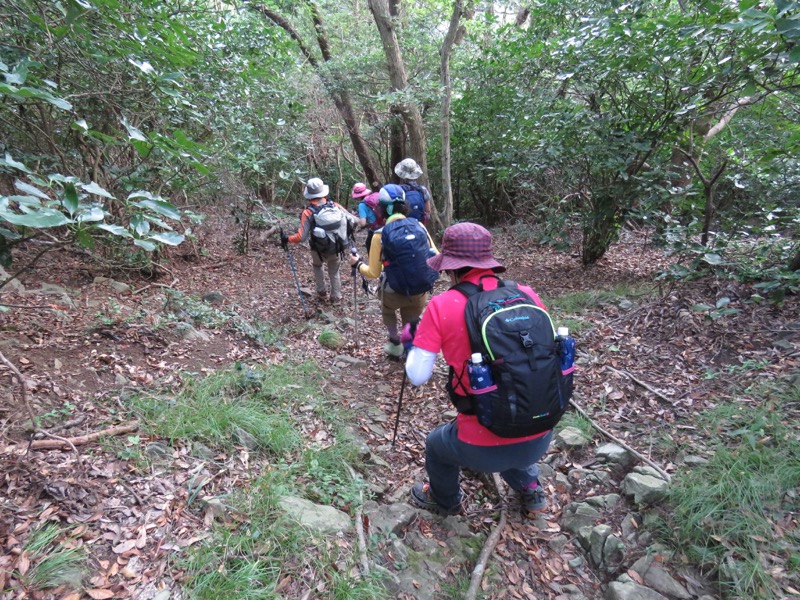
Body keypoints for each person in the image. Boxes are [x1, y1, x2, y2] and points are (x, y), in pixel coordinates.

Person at [403, 222, 556, 516]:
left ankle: (443, 499)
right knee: (514, 406)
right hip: (541, 430)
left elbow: (417, 376)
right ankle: (531, 488)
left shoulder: (442, 305)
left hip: (480, 444)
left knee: (436, 445)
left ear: (451, 268)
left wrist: (416, 341)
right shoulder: (526, 294)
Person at [347, 184, 438, 358]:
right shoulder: (420, 226)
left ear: (381, 209)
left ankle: (395, 341)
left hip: (393, 292)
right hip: (419, 289)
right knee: (411, 317)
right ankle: (410, 347)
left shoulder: (379, 235)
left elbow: (373, 273)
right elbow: (437, 257)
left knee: (387, 310)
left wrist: (357, 263)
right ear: (405, 205)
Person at [281, 177, 357, 304]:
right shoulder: (335, 206)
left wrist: (287, 239)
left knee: (317, 265)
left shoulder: (308, 212)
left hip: (318, 248)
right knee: (334, 270)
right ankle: (336, 297)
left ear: (309, 195)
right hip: (337, 247)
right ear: (323, 192)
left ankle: (322, 293)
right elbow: (353, 220)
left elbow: (301, 237)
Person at [394, 157, 432, 224]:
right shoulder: (423, 190)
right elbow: (428, 211)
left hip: (403, 224)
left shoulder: (398, 190)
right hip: (418, 224)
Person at [351, 182, 385, 253]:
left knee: (369, 245)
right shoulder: (376, 197)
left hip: (375, 230)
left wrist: (355, 218)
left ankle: (373, 262)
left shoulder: (362, 205)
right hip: (385, 226)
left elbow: (363, 223)